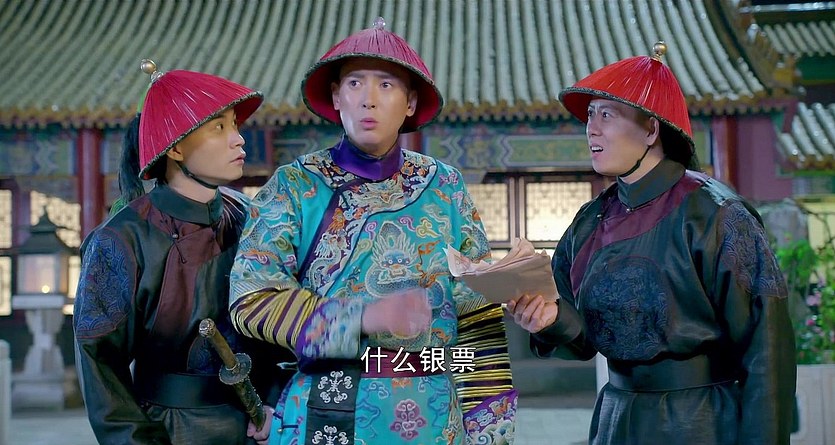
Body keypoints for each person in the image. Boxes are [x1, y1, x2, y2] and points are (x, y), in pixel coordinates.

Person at [229, 17, 516, 445]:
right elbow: (251, 297)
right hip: (328, 409)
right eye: (355, 83)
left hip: (438, 417)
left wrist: (491, 426)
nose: (369, 100)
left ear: (410, 102)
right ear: (336, 97)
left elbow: (477, 313)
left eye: (385, 85)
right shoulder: (295, 186)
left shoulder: (446, 186)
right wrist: (362, 317)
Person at [506, 42, 796, 445]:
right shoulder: (590, 221)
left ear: (650, 130)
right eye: (590, 115)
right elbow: (582, 338)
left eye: (607, 115)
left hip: (702, 422)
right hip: (617, 418)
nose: (592, 128)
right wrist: (548, 319)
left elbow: (767, 346)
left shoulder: (716, 214)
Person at [73, 59, 290, 445]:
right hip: (169, 427)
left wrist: (274, 404)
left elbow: (276, 319)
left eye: (235, 125)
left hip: (257, 424)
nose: (238, 139)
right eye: (219, 127)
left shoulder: (248, 216)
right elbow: (100, 365)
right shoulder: (121, 239)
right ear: (174, 148)